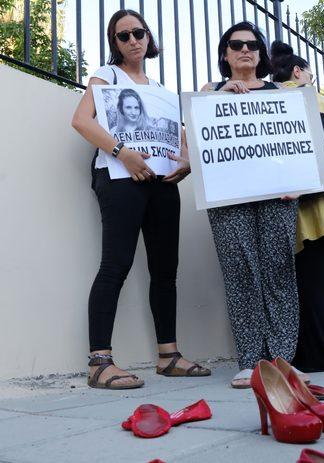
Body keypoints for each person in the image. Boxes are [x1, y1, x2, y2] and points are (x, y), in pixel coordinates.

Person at [71, 9, 207, 390]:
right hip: (119, 178)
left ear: (149, 37)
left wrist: (186, 162)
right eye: (123, 35)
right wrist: (122, 152)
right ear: (114, 43)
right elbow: (82, 120)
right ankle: (99, 361)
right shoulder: (107, 75)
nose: (132, 40)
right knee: (115, 264)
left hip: (162, 183)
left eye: (138, 33)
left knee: (166, 271)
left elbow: (180, 136)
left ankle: (168, 356)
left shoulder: (161, 91)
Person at [201, 22, 299, 388]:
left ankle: (282, 361)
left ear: (262, 54)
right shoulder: (210, 92)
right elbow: (198, 138)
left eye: (253, 44)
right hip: (228, 197)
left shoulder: (282, 93)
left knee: (278, 271)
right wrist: (219, 96)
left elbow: (295, 146)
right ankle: (250, 360)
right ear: (225, 53)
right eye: (236, 44)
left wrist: (298, 184)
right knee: (240, 271)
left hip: (277, 195)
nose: (245, 49)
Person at [269, 40, 324, 372]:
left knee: (287, 288)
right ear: (299, 71)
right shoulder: (309, 97)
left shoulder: (264, 97)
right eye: (312, 75)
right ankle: (317, 355)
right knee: (315, 285)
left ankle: (290, 352)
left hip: (278, 207)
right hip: (316, 209)